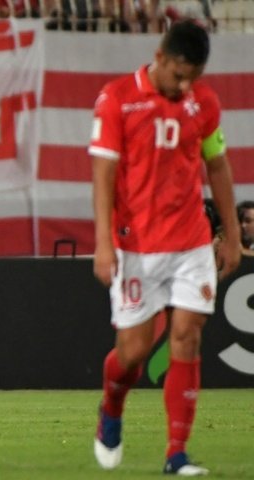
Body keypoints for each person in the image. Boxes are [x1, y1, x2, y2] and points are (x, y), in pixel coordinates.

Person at [89, 20, 241, 475]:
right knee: (133, 352)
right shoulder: (116, 99)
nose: (184, 85)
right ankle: (112, 406)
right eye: (178, 75)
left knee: (187, 336)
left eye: (193, 76)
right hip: (136, 246)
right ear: (159, 57)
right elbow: (104, 175)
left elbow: (218, 166)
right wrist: (102, 243)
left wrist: (231, 234)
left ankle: (176, 454)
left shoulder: (204, 103)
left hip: (191, 241)